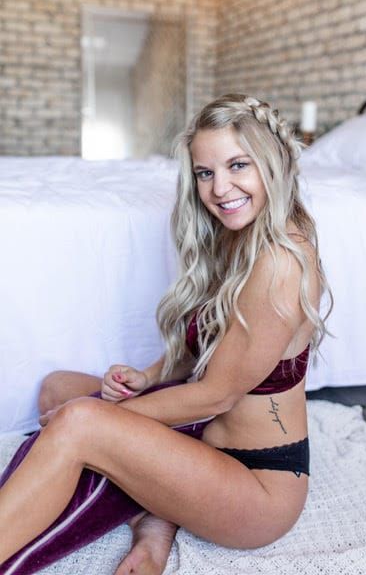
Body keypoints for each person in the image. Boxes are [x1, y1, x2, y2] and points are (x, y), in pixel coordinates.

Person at [0, 94, 332, 575]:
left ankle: (150, 513)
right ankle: (155, 524)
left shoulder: (282, 258)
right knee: (58, 388)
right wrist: (146, 375)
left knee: (76, 421)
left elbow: (216, 394)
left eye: (238, 165)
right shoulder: (236, 233)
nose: (220, 189)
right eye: (205, 173)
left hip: (254, 486)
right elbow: (207, 348)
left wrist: (99, 418)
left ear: (274, 163)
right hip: (199, 442)